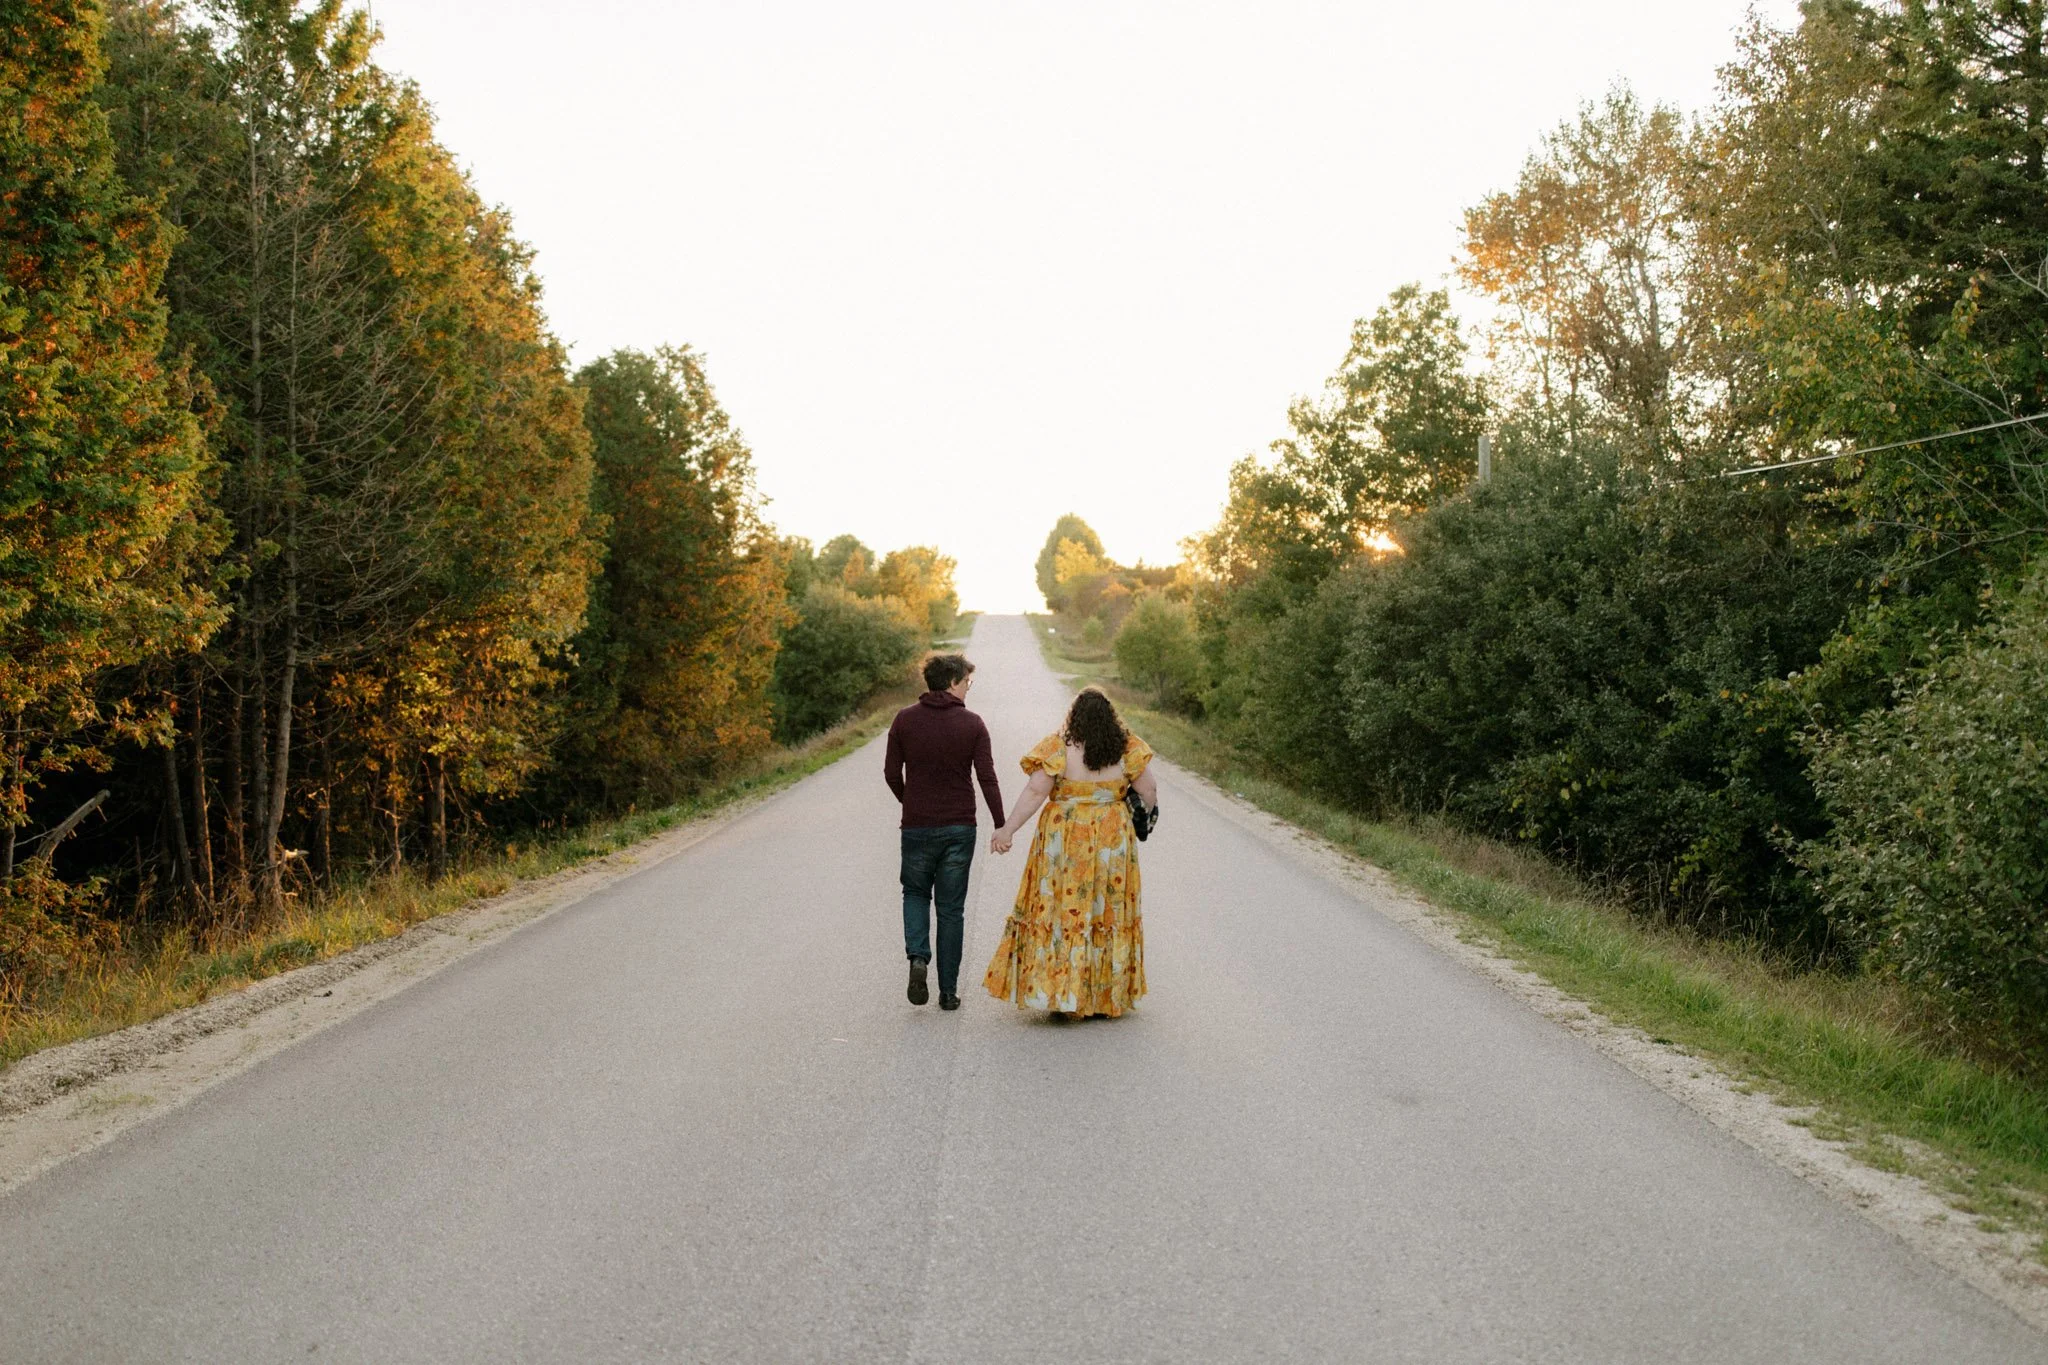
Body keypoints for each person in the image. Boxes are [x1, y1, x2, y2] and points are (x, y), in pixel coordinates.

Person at [983, 686, 1157, 1018]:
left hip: (1064, 840)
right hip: (1112, 841)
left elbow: (1035, 793)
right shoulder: (1128, 748)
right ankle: (1105, 997)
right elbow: (1148, 790)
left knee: (1064, 911)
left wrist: (1007, 830)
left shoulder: (1057, 749)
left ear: (1073, 716)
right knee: (1106, 911)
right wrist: (1143, 814)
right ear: (1110, 716)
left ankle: (1062, 993)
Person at [884, 652, 1004, 1010]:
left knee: (916, 893)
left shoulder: (904, 720)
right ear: (952, 681)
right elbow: (986, 777)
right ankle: (948, 993)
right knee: (951, 909)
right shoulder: (973, 724)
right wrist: (1001, 822)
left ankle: (918, 957)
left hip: (918, 826)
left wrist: (910, 802)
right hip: (958, 827)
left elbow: (892, 773)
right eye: (967, 681)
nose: (969, 687)